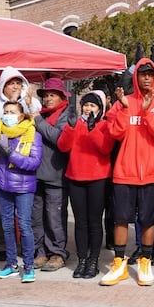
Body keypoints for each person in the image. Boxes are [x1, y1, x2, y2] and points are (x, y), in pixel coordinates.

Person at [100, 58, 154, 286]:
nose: (146, 77)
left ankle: (145, 261)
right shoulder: (122, 102)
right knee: (121, 220)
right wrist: (124, 108)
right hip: (124, 172)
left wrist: (148, 113)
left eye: (150, 74)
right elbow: (116, 133)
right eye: (142, 74)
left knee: (148, 221)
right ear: (136, 77)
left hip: (152, 174)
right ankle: (119, 265)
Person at [0, 98, 43, 282]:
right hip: (2, 185)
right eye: (6, 112)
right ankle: (11, 264)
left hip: (23, 186)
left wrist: (11, 154)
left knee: (24, 226)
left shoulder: (32, 134)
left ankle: (28, 266)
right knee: (6, 226)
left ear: (21, 116)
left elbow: (34, 163)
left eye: (12, 112)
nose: (8, 116)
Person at [57, 91, 115, 279]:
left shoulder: (105, 124)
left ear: (100, 109)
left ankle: (93, 261)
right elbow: (63, 147)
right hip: (75, 177)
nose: (88, 109)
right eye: (86, 105)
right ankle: (82, 260)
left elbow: (105, 148)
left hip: (98, 178)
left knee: (95, 222)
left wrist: (93, 129)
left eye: (93, 106)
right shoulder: (76, 123)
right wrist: (72, 128)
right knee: (80, 222)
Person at [32, 78, 71, 272]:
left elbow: (59, 139)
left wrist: (37, 121)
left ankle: (57, 253)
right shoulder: (41, 115)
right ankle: (41, 251)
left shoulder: (67, 115)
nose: (48, 99)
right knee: (37, 217)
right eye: (46, 95)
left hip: (56, 175)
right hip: (36, 174)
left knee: (54, 217)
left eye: (52, 95)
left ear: (62, 96)